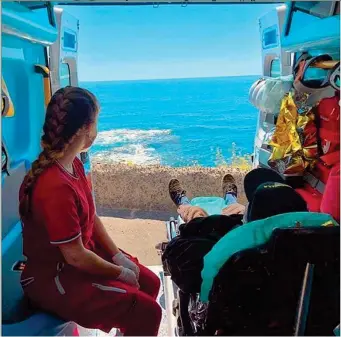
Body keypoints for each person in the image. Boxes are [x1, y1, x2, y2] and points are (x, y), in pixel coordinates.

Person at [19, 87, 161, 336]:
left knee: (151, 282)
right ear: (86, 129)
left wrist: (118, 257)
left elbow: (90, 216)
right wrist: (120, 273)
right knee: (149, 312)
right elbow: (75, 256)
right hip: (56, 278)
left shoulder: (72, 162)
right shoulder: (55, 187)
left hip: (80, 256)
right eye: (96, 122)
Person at [168, 167, 308, 224]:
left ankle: (182, 201)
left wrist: (199, 223)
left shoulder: (236, 241)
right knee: (236, 208)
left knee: (192, 212)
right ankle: (230, 195)